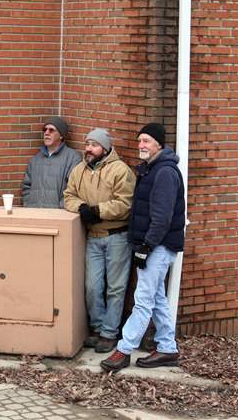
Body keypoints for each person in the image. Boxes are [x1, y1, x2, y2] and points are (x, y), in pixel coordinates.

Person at [101, 123, 184, 372]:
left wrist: (146, 245)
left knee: (143, 299)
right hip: (151, 245)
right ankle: (167, 348)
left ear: (159, 143)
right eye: (140, 141)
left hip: (157, 246)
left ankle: (124, 350)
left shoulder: (165, 173)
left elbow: (162, 217)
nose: (141, 145)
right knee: (156, 297)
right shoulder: (150, 170)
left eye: (146, 141)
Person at [63, 128, 135, 353]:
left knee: (115, 287)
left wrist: (99, 211)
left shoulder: (120, 170)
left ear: (105, 148)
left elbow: (125, 203)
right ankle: (96, 328)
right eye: (87, 144)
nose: (88, 149)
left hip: (117, 237)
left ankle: (109, 333)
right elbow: (69, 196)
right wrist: (81, 208)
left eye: (93, 145)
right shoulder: (79, 171)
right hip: (93, 237)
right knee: (92, 286)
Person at [22, 116, 81, 208]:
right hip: (35, 215)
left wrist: (61, 207)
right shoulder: (35, 160)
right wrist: (29, 204)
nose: (46, 133)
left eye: (51, 130)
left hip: (58, 215)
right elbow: (26, 186)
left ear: (61, 135)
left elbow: (74, 189)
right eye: (45, 130)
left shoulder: (72, 158)